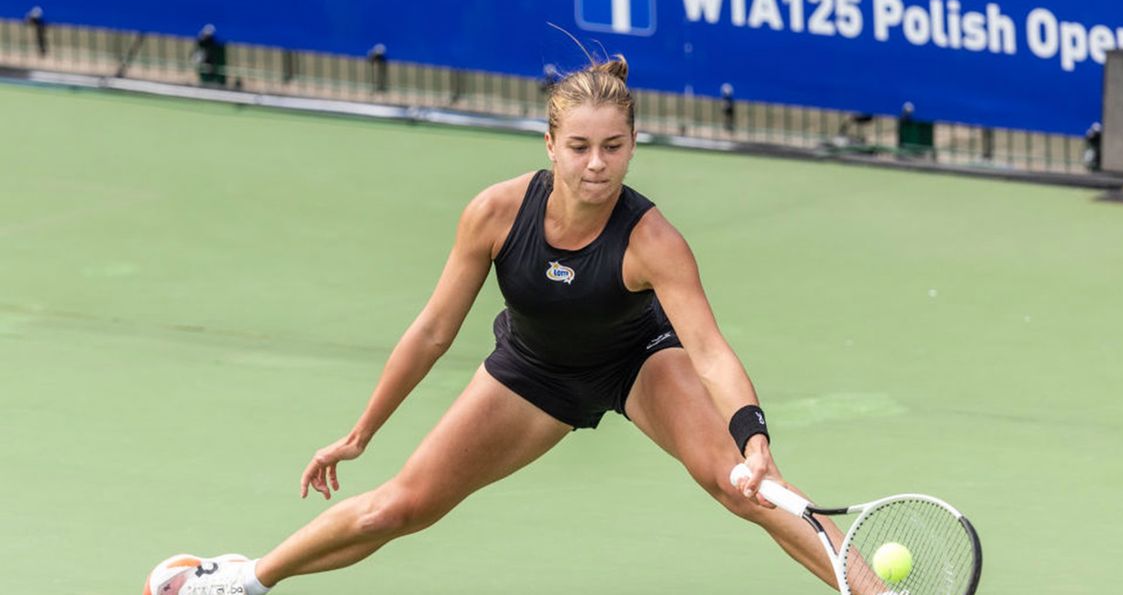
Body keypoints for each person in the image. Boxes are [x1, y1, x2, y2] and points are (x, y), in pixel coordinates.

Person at [146, 54, 866, 595]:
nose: (596, 165)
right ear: (549, 144)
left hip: (637, 361)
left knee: (740, 485)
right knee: (397, 508)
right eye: (579, 147)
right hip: (534, 371)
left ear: (632, 145)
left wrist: (754, 436)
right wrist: (361, 431)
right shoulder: (494, 213)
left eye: (612, 147)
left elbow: (708, 351)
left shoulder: (654, 241)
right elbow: (433, 330)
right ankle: (242, 578)